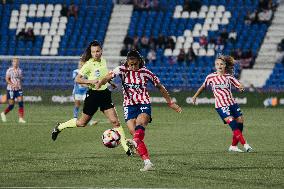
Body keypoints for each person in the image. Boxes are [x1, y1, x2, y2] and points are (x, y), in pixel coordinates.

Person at [95, 50, 182, 171]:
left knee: (140, 125)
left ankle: (136, 144)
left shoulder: (146, 72)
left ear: (139, 62)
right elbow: (108, 77)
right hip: (129, 106)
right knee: (134, 133)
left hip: (143, 103)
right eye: (131, 64)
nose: (133, 67)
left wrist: (170, 103)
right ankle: (147, 162)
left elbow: (160, 87)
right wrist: (101, 82)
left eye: (135, 64)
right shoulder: (121, 69)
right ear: (127, 62)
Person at [51, 40, 131, 156]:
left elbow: (104, 75)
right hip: (93, 95)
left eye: (97, 51)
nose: (95, 53)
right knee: (82, 123)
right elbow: (77, 79)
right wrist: (91, 81)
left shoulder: (103, 61)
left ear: (101, 51)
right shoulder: (88, 64)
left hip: (104, 94)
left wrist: (110, 82)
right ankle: (60, 127)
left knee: (115, 122)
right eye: (93, 52)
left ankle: (126, 148)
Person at [192, 55, 253, 153]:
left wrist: (241, 87)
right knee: (233, 124)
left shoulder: (229, 77)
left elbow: (239, 84)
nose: (219, 65)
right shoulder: (210, 77)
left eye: (221, 64)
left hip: (232, 103)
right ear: (215, 66)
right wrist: (195, 96)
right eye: (217, 64)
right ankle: (245, 145)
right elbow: (203, 87)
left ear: (225, 65)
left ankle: (233, 146)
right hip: (221, 105)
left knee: (240, 123)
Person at [72, 61, 98, 125]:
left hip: (85, 91)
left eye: (82, 64)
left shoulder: (87, 72)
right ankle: (74, 118)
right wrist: (86, 84)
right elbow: (77, 81)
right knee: (77, 105)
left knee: (87, 106)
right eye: (79, 64)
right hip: (77, 91)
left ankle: (89, 121)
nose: (80, 65)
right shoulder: (75, 71)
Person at [1, 58, 26, 123]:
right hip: (11, 89)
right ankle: (3, 113)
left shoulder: (20, 70)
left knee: (21, 103)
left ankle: (21, 119)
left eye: (17, 62)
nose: (16, 63)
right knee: (11, 105)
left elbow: (20, 79)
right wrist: (12, 84)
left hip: (18, 89)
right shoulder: (9, 70)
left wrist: (20, 86)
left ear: (18, 63)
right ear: (12, 63)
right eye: (14, 62)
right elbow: (7, 79)